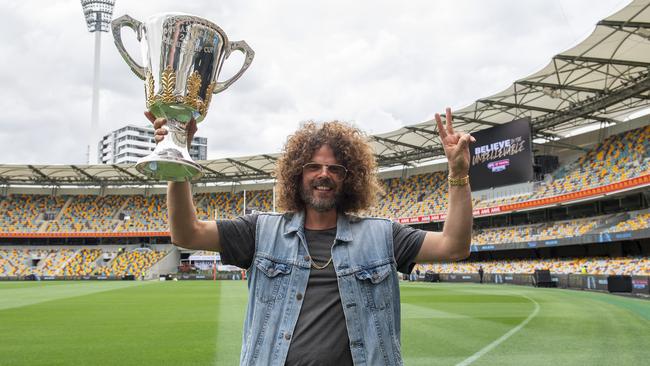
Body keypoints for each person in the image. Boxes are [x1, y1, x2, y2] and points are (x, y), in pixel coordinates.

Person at [147, 107, 475, 366]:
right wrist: (177, 156)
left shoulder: (381, 236)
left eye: (336, 169)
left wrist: (458, 175)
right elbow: (186, 233)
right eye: (313, 167)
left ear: (350, 179)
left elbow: (454, 246)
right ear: (296, 174)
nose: (324, 175)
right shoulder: (260, 231)